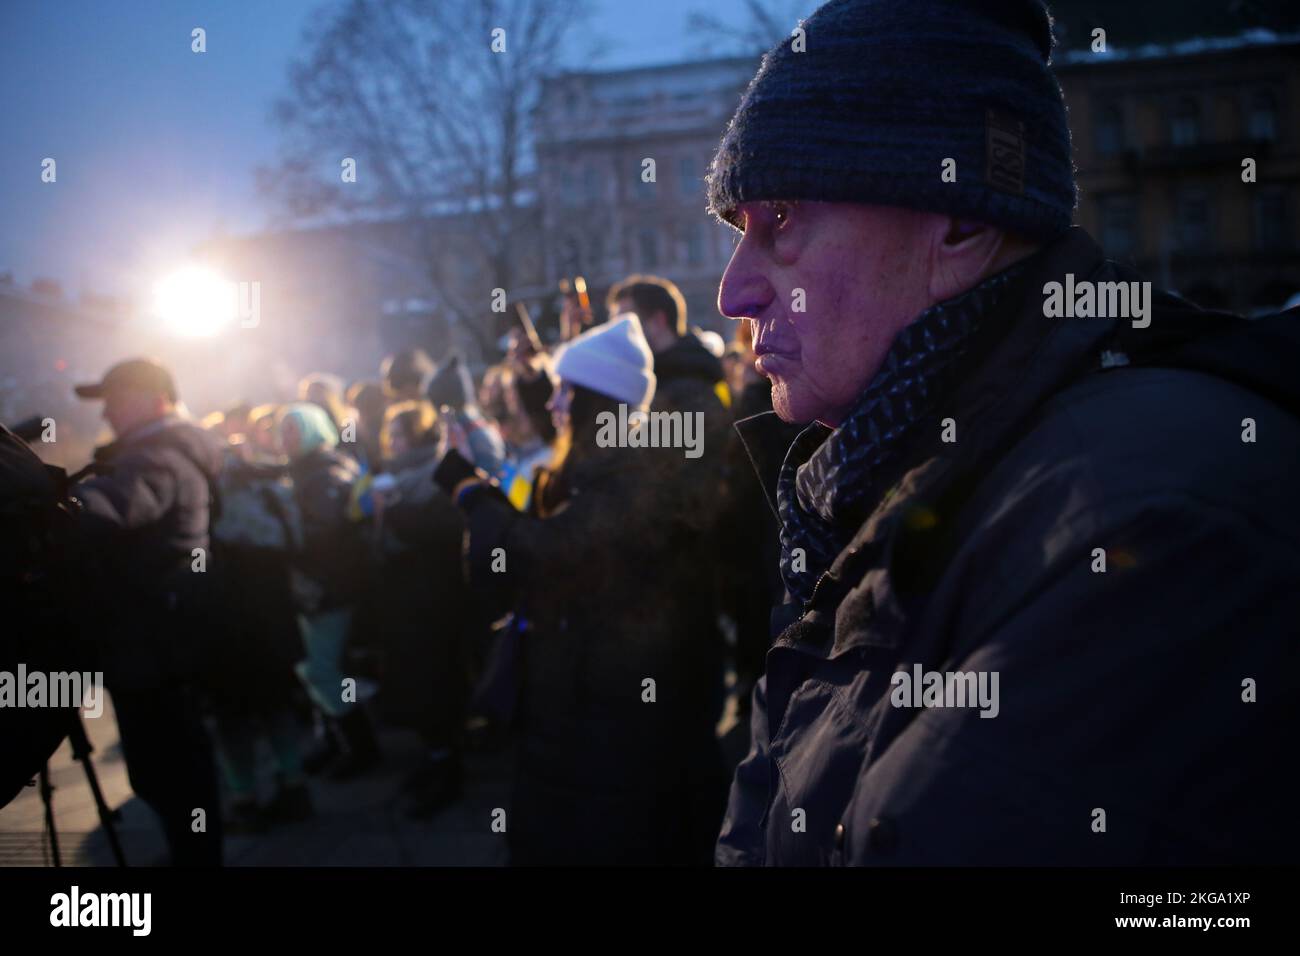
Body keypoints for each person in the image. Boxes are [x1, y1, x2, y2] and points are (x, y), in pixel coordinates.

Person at [709, 0, 1300, 866]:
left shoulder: (1145, 524)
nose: (733, 293)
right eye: (737, 232)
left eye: (783, 219)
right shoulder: (903, 478)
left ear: (961, 223)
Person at [435, 315, 728, 865]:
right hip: (587, 708)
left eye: (565, 391)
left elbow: (544, 554)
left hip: (605, 718)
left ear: (595, 402)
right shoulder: (616, 462)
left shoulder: (630, 477)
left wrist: (471, 494)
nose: (553, 404)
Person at [71, 358, 225, 865]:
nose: (108, 414)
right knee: (168, 771)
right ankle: (193, 852)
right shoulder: (157, 452)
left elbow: (112, 506)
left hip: (156, 648)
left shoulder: (158, 457)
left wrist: (52, 504)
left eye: (116, 400)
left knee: (172, 771)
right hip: (154, 644)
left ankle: (196, 858)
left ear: (154, 398)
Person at [369, 400, 470, 818]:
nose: (391, 442)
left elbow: (447, 529)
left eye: (399, 434)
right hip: (405, 602)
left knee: (437, 687)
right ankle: (433, 758)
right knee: (415, 687)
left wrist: (392, 511)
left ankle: (448, 769)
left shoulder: (440, 472)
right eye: (388, 434)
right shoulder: (394, 476)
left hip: (435, 601)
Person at [277, 402, 380, 780]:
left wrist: (278, 530)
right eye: (282, 430)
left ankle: (361, 745)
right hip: (317, 587)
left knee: (323, 670)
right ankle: (343, 742)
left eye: (294, 429)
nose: (285, 438)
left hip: (329, 587)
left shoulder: (324, 472)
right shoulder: (308, 469)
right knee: (329, 668)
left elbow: (323, 533)